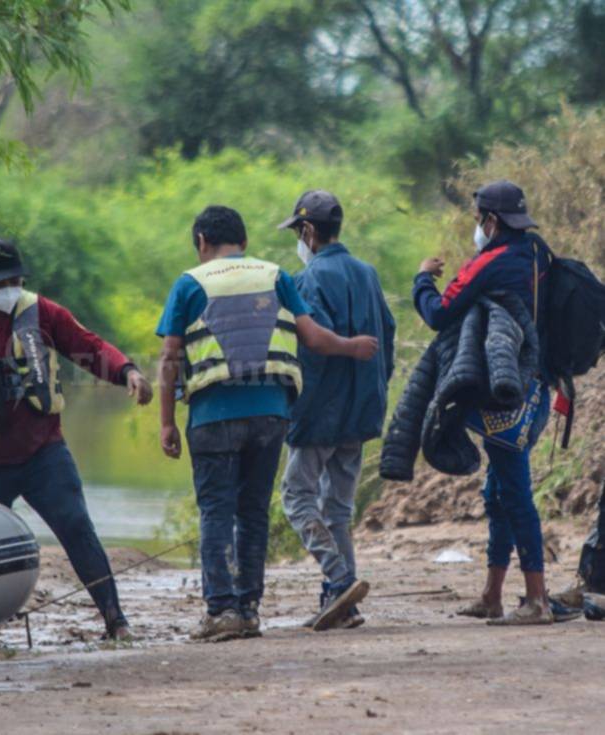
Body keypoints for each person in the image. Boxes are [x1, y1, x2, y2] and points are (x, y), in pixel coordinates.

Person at [0, 238, 153, 641]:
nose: (9, 288)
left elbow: (88, 346)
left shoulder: (43, 312)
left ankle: (116, 621)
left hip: (43, 454)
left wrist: (127, 371)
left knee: (77, 528)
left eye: (15, 280)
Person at [157, 205, 378, 641]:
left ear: (201, 242)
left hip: (214, 414)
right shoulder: (275, 276)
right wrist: (352, 346)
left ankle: (222, 612)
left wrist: (166, 422)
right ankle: (248, 609)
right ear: (244, 242)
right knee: (253, 511)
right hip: (271, 413)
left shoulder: (189, 283)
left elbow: (169, 358)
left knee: (217, 510)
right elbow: (313, 337)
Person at [413, 180, 553, 625]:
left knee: (514, 493)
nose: (477, 228)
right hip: (537, 388)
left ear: (491, 222)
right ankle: (492, 595)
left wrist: (422, 279)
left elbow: (439, 313)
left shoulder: (491, 262)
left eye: (478, 220)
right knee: (498, 492)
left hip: (503, 393)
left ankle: (537, 600)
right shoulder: (538, 253)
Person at [277, 190, 396, 631]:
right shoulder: (367, 273)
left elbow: (310, 346)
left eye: (298, 232)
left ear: (308, 231)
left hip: (318, 412)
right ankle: (342, 603)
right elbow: (388, 335)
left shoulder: (306, 280)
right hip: (361, 410)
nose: (299, 240)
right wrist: (374, 388)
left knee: (296, 497)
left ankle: (340, 577)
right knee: (338, 510)